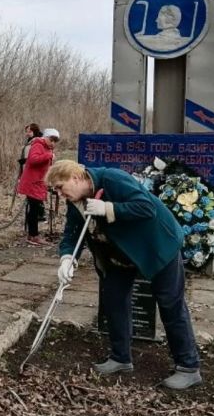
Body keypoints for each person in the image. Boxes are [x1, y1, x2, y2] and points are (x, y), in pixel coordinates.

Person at [46, 160, 201, 390]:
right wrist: (67, 259)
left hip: (156, 246)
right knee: (114, 300)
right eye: (55, 190)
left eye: (60, 187)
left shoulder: (112, 179)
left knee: (170, 304)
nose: (59, 193)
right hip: (118, 255)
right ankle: (121, 358)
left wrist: (108, 208)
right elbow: (72, 234)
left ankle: (188, 367)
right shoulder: (75, 201)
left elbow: (145, 207)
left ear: (75, 178)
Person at [16, 128, 59, 246]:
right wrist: (49, 155)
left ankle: (33, 235)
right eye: (52, 140)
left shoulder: (45, 148)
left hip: (38, 182)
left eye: (55, 141)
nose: (53, 143)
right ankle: (33, 236)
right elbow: (34, 160)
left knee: (34, 209)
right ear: (46, 138)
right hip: (32, 182)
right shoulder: (38, 145)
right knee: (34, 210)